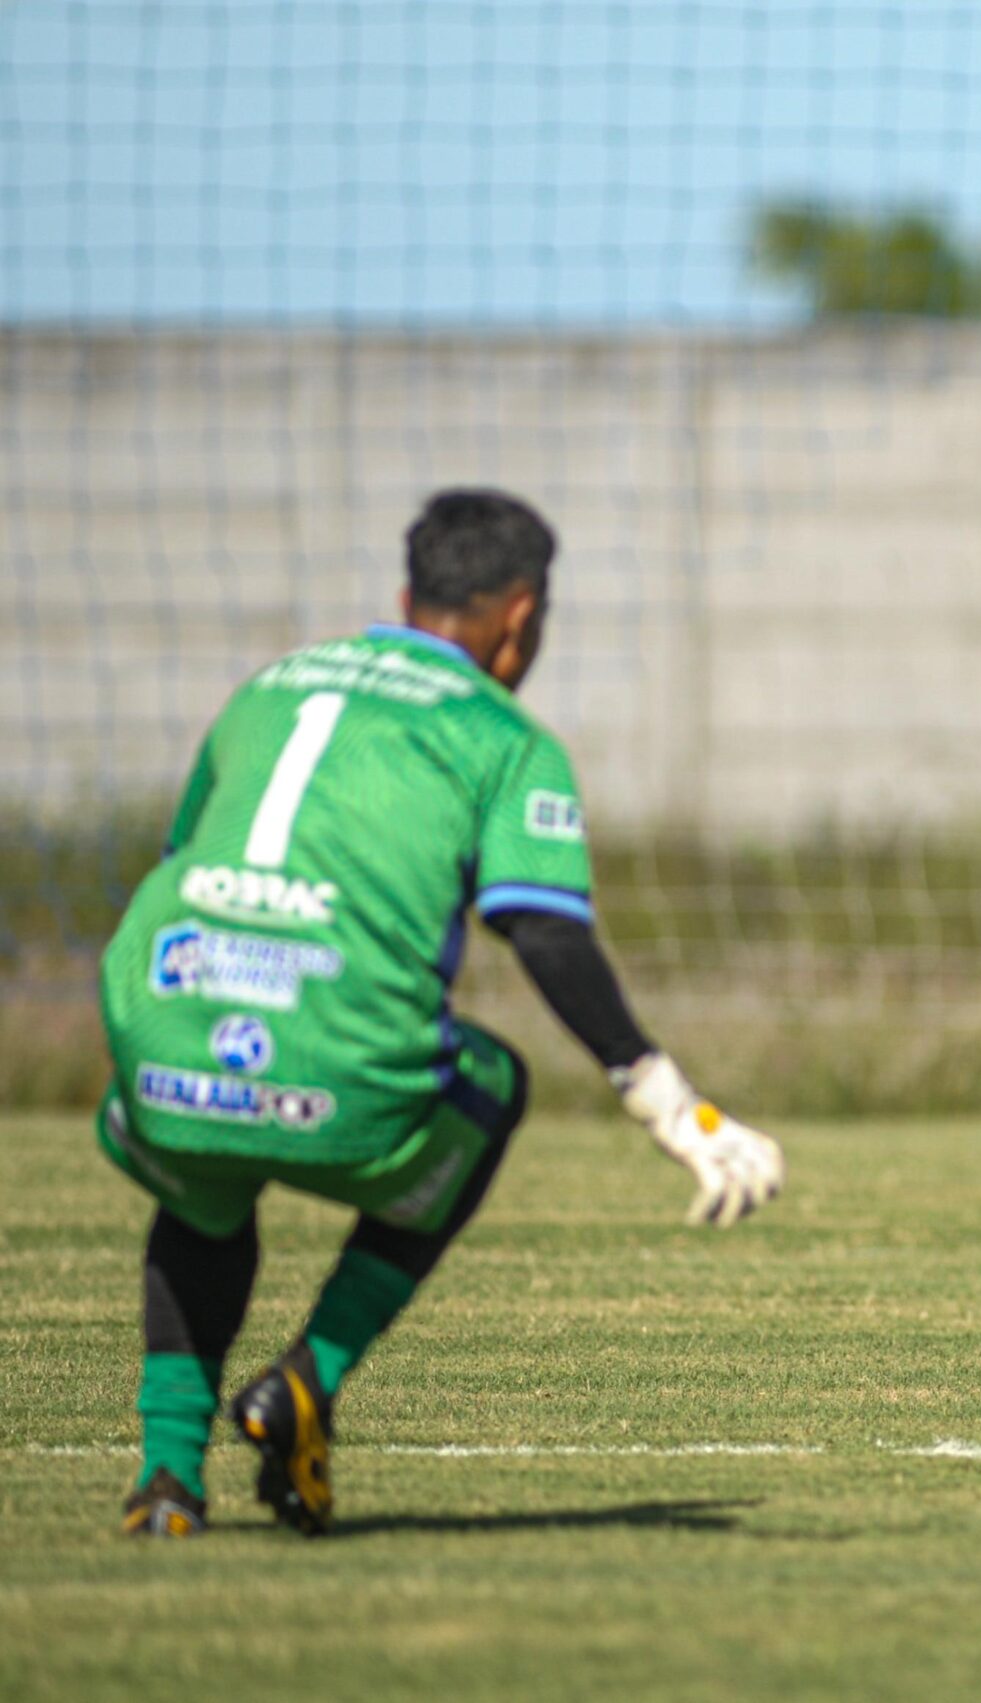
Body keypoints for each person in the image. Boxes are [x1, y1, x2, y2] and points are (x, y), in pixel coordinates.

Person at [99, 489, 786, 1537]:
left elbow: (181, 857)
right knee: (493, 1083)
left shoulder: (268, 688)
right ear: (520, 617)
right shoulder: (502, 735)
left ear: (403, 596)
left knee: (205, 1192)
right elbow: (543, 929)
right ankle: (308, 1377)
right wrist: (666, 1097)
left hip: (159, 1048)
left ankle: (165, 1481)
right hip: (343, 1080)